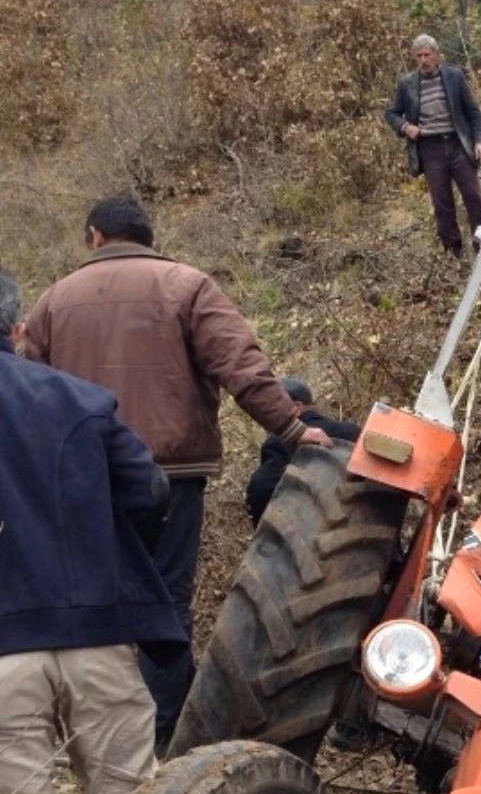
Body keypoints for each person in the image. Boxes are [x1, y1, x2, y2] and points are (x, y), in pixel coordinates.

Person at [23, 195, 332, 753]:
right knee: (165, 600)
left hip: (83, 480)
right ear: (146, 235)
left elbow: (25, 393)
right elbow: (240, 363)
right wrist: (291, 429)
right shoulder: (188, 286)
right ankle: (166, 738)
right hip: (171, 474)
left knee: (97, 604)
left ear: (94, 236)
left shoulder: (53, 302)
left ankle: (101, 741)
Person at [0, 272, 186, 794]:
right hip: (98, 632)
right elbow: (151, 494)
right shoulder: (74, 400)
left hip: (2, 650)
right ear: (16, 328)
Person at [385, 34, 481, 259]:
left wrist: (478, 141)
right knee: (442, 202)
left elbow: (472, 113)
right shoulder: (408, 84)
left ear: (436, 54)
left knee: (473, 196)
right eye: (419, 56)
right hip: (430, 149)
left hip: (458, 143)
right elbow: (391, 113)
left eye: (427, 55)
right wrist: (405, 127)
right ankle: (454, 253)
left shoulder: (454, 76)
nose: (423, 60)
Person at [245, 377, 360, 526]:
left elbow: (261, 487)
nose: (269, 417)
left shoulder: (281, 441)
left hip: (314, 531)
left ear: (297, 407)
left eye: (274, 408)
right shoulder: (353, 431)